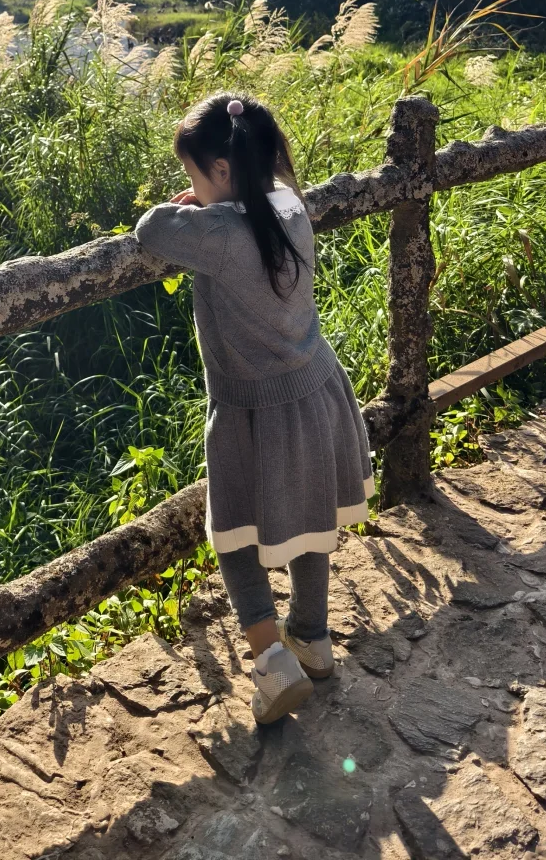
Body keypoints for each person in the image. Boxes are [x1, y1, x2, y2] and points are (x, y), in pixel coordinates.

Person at [134, 92, 373, 724]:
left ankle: (273, 663)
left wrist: (187, 208)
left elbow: (150, 229)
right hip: (316, 389)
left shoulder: (218, 233)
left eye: (192, 175)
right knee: (310, 517)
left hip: (252, 409)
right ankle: (312, 638)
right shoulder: (289, 206)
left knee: (235, 533)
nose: (190, 187)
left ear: (221, 169)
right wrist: (208, 200)